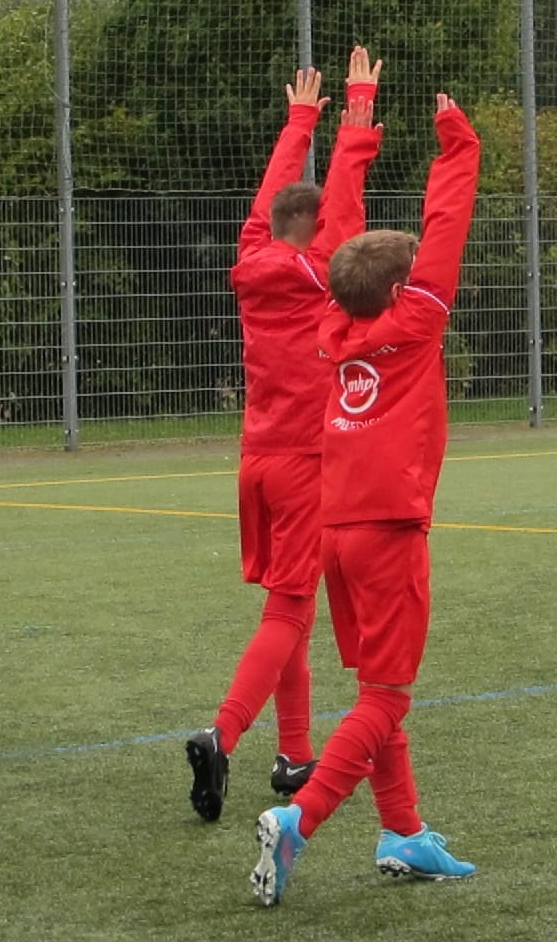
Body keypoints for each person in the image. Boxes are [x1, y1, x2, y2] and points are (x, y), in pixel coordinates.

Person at [251, 93, 480, 908]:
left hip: (338, 530)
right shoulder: (416, 321)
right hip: (388, 529)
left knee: (376, 691)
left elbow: (338, 234)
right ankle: (299, 820)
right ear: (401, 288)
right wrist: (457, 144)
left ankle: (403, 832)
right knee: (386, 698)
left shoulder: (332, 319)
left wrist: (353, 134)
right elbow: (445, 224)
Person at [188, 48, 383, 821]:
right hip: (306, 460)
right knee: (291, 612)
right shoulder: (318, 271)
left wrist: (302, 120)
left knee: (289, 598)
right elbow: (346, 209)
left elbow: (267, 206)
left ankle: (293, 752)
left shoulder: (251, 259)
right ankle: (223, 733)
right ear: (316, 233)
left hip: (257, 459)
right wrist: (358, 123)